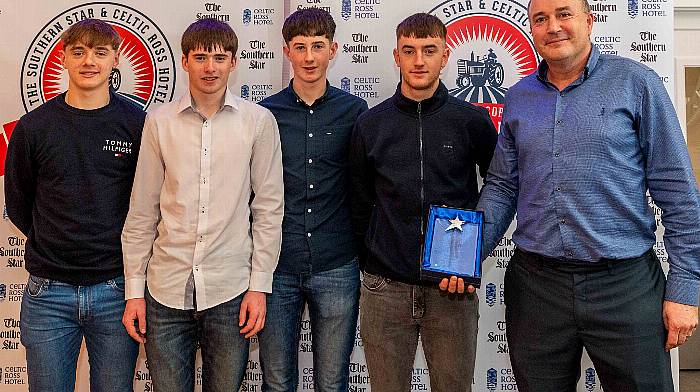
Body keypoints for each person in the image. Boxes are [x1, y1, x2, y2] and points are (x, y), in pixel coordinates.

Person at [476, 0, 700, 390]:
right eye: (540, 19)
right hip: (536, 287)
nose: (553, 27)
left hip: (624, 286)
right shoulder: (518, 97)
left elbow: (678, 193)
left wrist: (685, 287)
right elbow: (502, 186)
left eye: (564, 14)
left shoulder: (637, 83)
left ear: (589, 21)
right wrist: (461, 255)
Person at [120, 18, 283, 392]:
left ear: (234, 62)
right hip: (164, 290)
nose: (210, 67)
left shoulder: (258, 122)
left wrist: (259, 286)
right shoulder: (159, 123)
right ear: (184, 61)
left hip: (231, 290)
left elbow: (269, 210)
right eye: (201, 57)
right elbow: (142, 212)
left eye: (219, 57)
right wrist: (134, 293)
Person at [349, 12, 497, 392]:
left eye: (429, 51)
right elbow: (361, 201)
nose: (419, 61)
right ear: (396, 56)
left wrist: (468, 255)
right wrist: (374, 261)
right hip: (385, 289)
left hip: (452, 289)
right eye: (409, 51)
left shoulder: (473, 121)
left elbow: (498, 190)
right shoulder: (371, 125)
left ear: (445, 56)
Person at [4, 18, 144, 392]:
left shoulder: (138, 124)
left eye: (100, 53)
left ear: (116, 59)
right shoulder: (33, 127)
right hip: (48, 293)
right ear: (62, 58)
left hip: (117, 290)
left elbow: (147, 203)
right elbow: (18, 201)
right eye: (78, 52)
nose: (89, 62)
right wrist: (53, 240)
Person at [256, 8, 368, 392]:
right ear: (286, 51)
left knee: (333, 382)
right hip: (276, 267)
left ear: (333, 49)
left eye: (317, 46)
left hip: (336, 263)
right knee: (276, 381)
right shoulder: (265, 114)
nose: (308, 57)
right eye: (300, 47)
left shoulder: (355, 112)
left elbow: (362, 186)